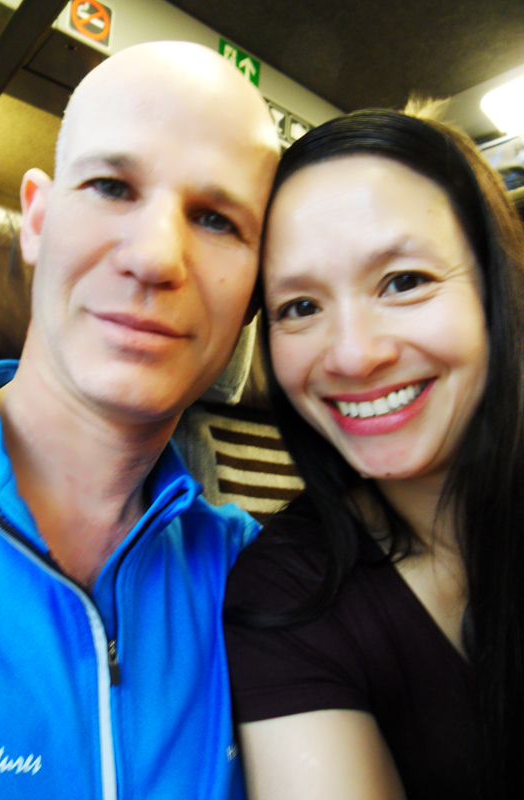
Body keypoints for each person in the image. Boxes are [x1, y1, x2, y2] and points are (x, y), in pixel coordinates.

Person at [0, 41, 279, 799]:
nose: (155, 258)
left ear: (255, 293)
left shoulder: (265, 581)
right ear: (37, 219)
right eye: (112, 187)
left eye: (217, 220)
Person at [224, 108, 524, 800]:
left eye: (404, 281)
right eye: (300, 306)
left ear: (497, 288)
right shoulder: (286, 594)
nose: (354, 355)